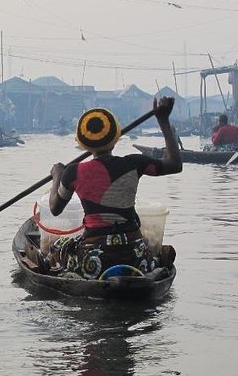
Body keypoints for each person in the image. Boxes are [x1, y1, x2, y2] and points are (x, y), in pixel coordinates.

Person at [46, 97, 182, 280]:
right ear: (116, 137)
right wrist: (163, 120)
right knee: (150, 247)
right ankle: (150, 271)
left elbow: (54, 208)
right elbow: (175, 164)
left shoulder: (73, 172)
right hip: (135, 255)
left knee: (56, 246)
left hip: (94, 257)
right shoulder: (135, 163)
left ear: (82, 143)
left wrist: (57, 176)